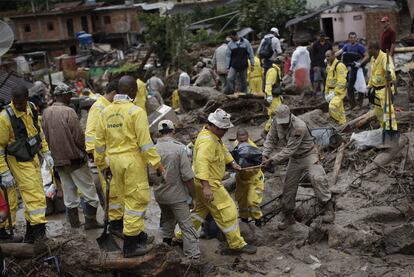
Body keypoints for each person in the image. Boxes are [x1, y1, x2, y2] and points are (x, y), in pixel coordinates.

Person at [94, 75, 164, 258]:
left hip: (114, 162)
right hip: (132, 161)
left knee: (126, 198)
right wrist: (157, 164)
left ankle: (138, 235)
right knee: (137, 200)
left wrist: (102, 164)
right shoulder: (136, 112)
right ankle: (131, 247)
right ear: (133, 91)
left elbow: (99, 143)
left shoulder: (105, 112)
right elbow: (145, 143)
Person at [178, 108, 256, 254]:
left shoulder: (212, 135)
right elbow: (202, 164)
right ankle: (236, 243)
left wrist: (232, 163)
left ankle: (180, 236)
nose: (225, 131)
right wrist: (206, 187)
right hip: (208, 182)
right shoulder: (207, 142)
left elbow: (223, 150)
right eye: (223, 129)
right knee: (229, 210)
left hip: (202, 182)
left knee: (199, 212)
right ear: (213, 125)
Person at [262, 104, 334, 230]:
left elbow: (289, 149)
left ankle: (328, 209)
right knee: (288, 189)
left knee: (317, 178)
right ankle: (289, 217)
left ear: (290, 116)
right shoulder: (276, 122)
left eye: (285, 122)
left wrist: (272, 161)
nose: (283, 124)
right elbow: (271, 138)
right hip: (294, 159)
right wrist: (265, 155)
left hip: (308, 155)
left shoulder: (299, 126)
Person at [42, 85, 102, 230]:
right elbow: (79, 137)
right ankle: (90, 221)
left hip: (58, 160)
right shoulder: (69, 111)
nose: (71, 97)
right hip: (75, 159)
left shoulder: (46, 112)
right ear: (63, 95)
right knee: (90, 193)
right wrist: (88, 152)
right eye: (69, 95)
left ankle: (74, 223)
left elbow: (46, 135)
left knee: (69, 194)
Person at [0, 85, 51, 243]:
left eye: (20, 103)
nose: (17, 106)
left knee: (36, 193)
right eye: (15, 103)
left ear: (27, 99)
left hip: (32, 156)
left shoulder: (32, 108)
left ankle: (30, 234)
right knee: (34, 194)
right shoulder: (4, 118)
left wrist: (46, 151)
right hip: (18, 159)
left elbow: (38, 132)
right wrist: (4, 171)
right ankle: (39, 232)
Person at [154, 120, 200, 259]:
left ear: (158, 133)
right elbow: (187, 177)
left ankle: (165, 249)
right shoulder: (179, 148)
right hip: (176, 196)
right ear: (173, 131)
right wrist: (194, 197)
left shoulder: (152, 149)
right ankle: (193, 257)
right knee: (187, 227)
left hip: (160, 195)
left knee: (168, 220)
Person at [234, 129, 264, 226]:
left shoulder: (253, 149)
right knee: (241, 201)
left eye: (244, 139)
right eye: (240, 140)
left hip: (254, 178)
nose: (243, 142)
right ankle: (244, 220)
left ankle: (258, 220)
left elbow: (259, 162)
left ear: (248, 137)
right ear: (237, 139)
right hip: (241, 179)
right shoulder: (236, 146)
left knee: (252, 201)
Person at [367, 42, 397, 131]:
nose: (367, 51)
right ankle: (384, 129)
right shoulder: (373, 59)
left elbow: (390, 68)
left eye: (369, 49)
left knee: (388, 112)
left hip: (385, 89)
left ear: (374, 49)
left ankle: (391, 131)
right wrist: (369, 86)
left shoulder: (384, 57)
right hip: (376, 90)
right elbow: (373, 74)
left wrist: (389, 74)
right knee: (379, 113)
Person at [335, 32, 369, 109]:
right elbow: (339, 52)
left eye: (354, 37)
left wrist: (360, 63)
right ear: (349, 38)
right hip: (352, 70)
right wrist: (331, 57)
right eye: (351, 37)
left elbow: (367, 56)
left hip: (359, 69)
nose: (353, 39)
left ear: (356, 38)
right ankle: (352, 105)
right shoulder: (347, 46)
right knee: (349, 87)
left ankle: (359, 104)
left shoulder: (360, 47)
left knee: (360, 86)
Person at [224, 30, 255, 94]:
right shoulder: (230, 44)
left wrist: (252, 64)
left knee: (243, 81)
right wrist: (227, 67)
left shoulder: (245, 42)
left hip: (243, 65)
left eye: (232, 37)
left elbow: (251, 53)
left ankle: (244, 93)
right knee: (229, 78)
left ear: (236, 35)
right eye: (230, 38)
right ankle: (231, 91)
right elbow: (228, 56)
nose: (231, 39)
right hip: (234, 65)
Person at [325, 50, 348, 125]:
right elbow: (327, 80)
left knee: (333, 106)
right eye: (326, 56)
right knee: (339, 108)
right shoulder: (329, 66)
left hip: (338, 91)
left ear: (333, 56)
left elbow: (342, 82)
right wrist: (326, 93)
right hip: (331, 91)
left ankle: (337, 121)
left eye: (328, 56)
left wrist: (335, 93)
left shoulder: (339, 65)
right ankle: (343, 123)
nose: (327, 58)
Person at [264, 58, 283, 134]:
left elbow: (277, 85)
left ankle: (272, 132)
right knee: (274, 115)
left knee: (279, 113)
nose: (283, 65)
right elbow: (268, 84)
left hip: (276, 96)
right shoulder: (273, 71)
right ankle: (266, 131)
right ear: (279, 63)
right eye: (282, 63)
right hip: (273, 97)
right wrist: (269, 96)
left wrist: (280, 95)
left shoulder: (277, 70)